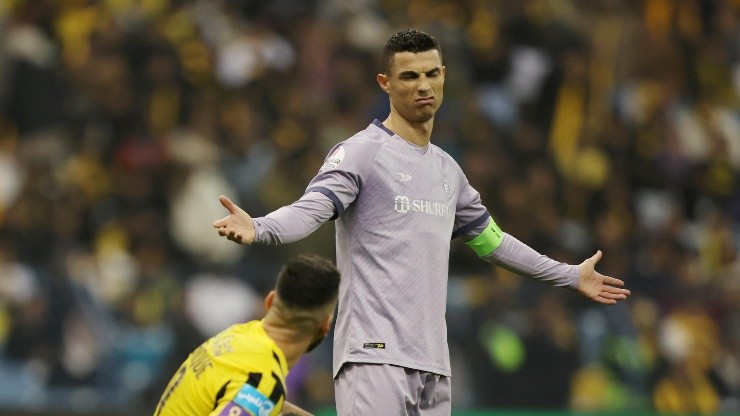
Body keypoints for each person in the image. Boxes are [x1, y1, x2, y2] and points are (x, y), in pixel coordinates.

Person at [213, 29, 631, 415]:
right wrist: (261, 227)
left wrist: (569, 275)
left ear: (445, 76)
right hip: (373, 354)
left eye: (431, 74)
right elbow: (311, 208)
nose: (423, 85)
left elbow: (494, 244)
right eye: (409, 76)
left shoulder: (449, 172)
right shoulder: (362, 153)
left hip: (433, 364)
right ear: (385, 83)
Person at [153, 253, 340, 416]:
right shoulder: (263, 382)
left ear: (270, 301)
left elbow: (246, 393)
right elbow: (258, 390)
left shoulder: (237, 335)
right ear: (325, 325)